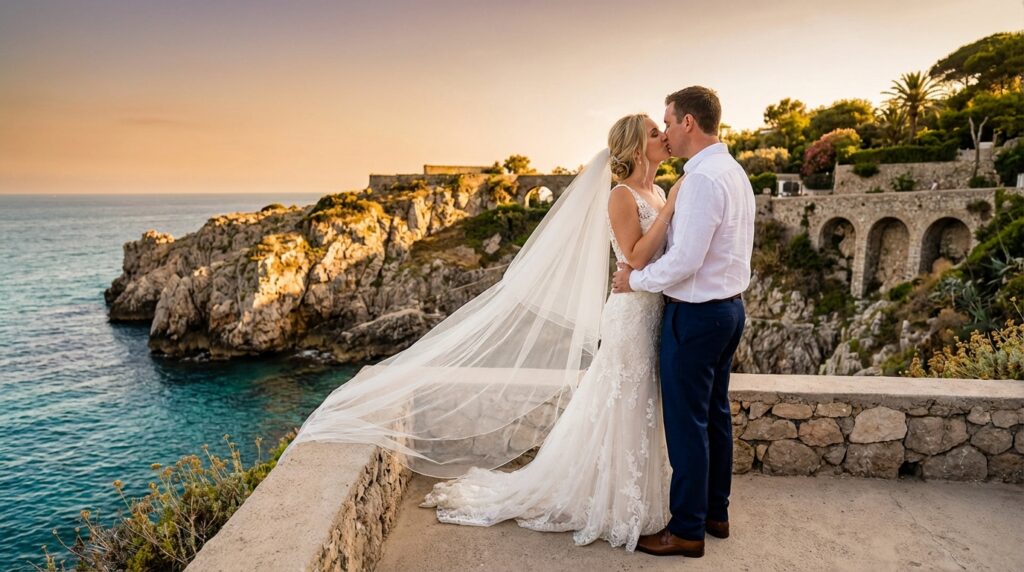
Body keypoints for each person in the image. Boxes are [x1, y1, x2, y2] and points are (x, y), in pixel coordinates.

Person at [420, 113, 680, 551]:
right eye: (655, 133)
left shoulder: (654, 191)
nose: (665, 137)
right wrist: (671, 208)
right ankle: (614, 502)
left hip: (654, 310)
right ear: (637, 147)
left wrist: (666, 203)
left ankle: (636, 494)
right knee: (624, 400)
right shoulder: (621, 195)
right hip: (631, 314)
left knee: (642, 402)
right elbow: (634, 257)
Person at [612, 86, 756, 557]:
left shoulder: (699, 181)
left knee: (687, 423)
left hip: (695, 316)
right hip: (729, 309)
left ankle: (687, 529)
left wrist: (636, 282)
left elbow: (686, 261)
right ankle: (717, 512)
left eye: (669, 121)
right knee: (715, 416)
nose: (667, 131)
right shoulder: (733, 172)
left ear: (688, 122)